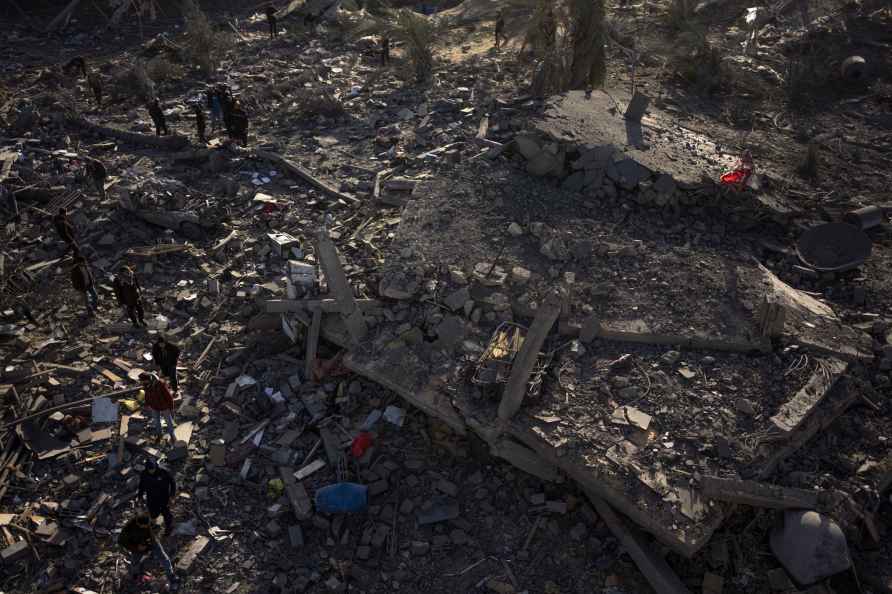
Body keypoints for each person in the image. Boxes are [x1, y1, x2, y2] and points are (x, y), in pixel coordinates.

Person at [118, 515, 178, 591]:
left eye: (147, 525)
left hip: (150, 542)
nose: (146, 527)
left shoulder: (147, 522)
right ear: (139, 524)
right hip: (137, 547)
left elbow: (150, 532)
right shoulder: (128, 529)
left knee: (163, 556)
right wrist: (136, 547)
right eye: (144, 526)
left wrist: (151, 542)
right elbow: (121, 542)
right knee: (135, 563)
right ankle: (136, 577)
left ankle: (171, 575)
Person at [138, 459, 176, 535]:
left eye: (153, 469)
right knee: (153, 513)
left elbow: (173, 483)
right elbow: (141, 486)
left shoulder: (164, 472)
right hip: (151, 498)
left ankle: (169, 527)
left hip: (164, 497)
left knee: (166, 514)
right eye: (149, 470)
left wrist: (172, 496)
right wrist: (140, 497)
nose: (151, 471)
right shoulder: (144, 474)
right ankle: (155, 525)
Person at [140, 372, 176, 442]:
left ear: (147, 379)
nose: (141, 382)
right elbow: (147, 395)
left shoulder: (160, 384)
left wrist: (171, 408)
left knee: (169, 421)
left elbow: (168, 396)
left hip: (164, 406)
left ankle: (172, 435)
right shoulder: (146, 385)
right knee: (156, 422)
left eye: (142, 380)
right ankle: (159, 435)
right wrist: (147, 404)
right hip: (154, 406)